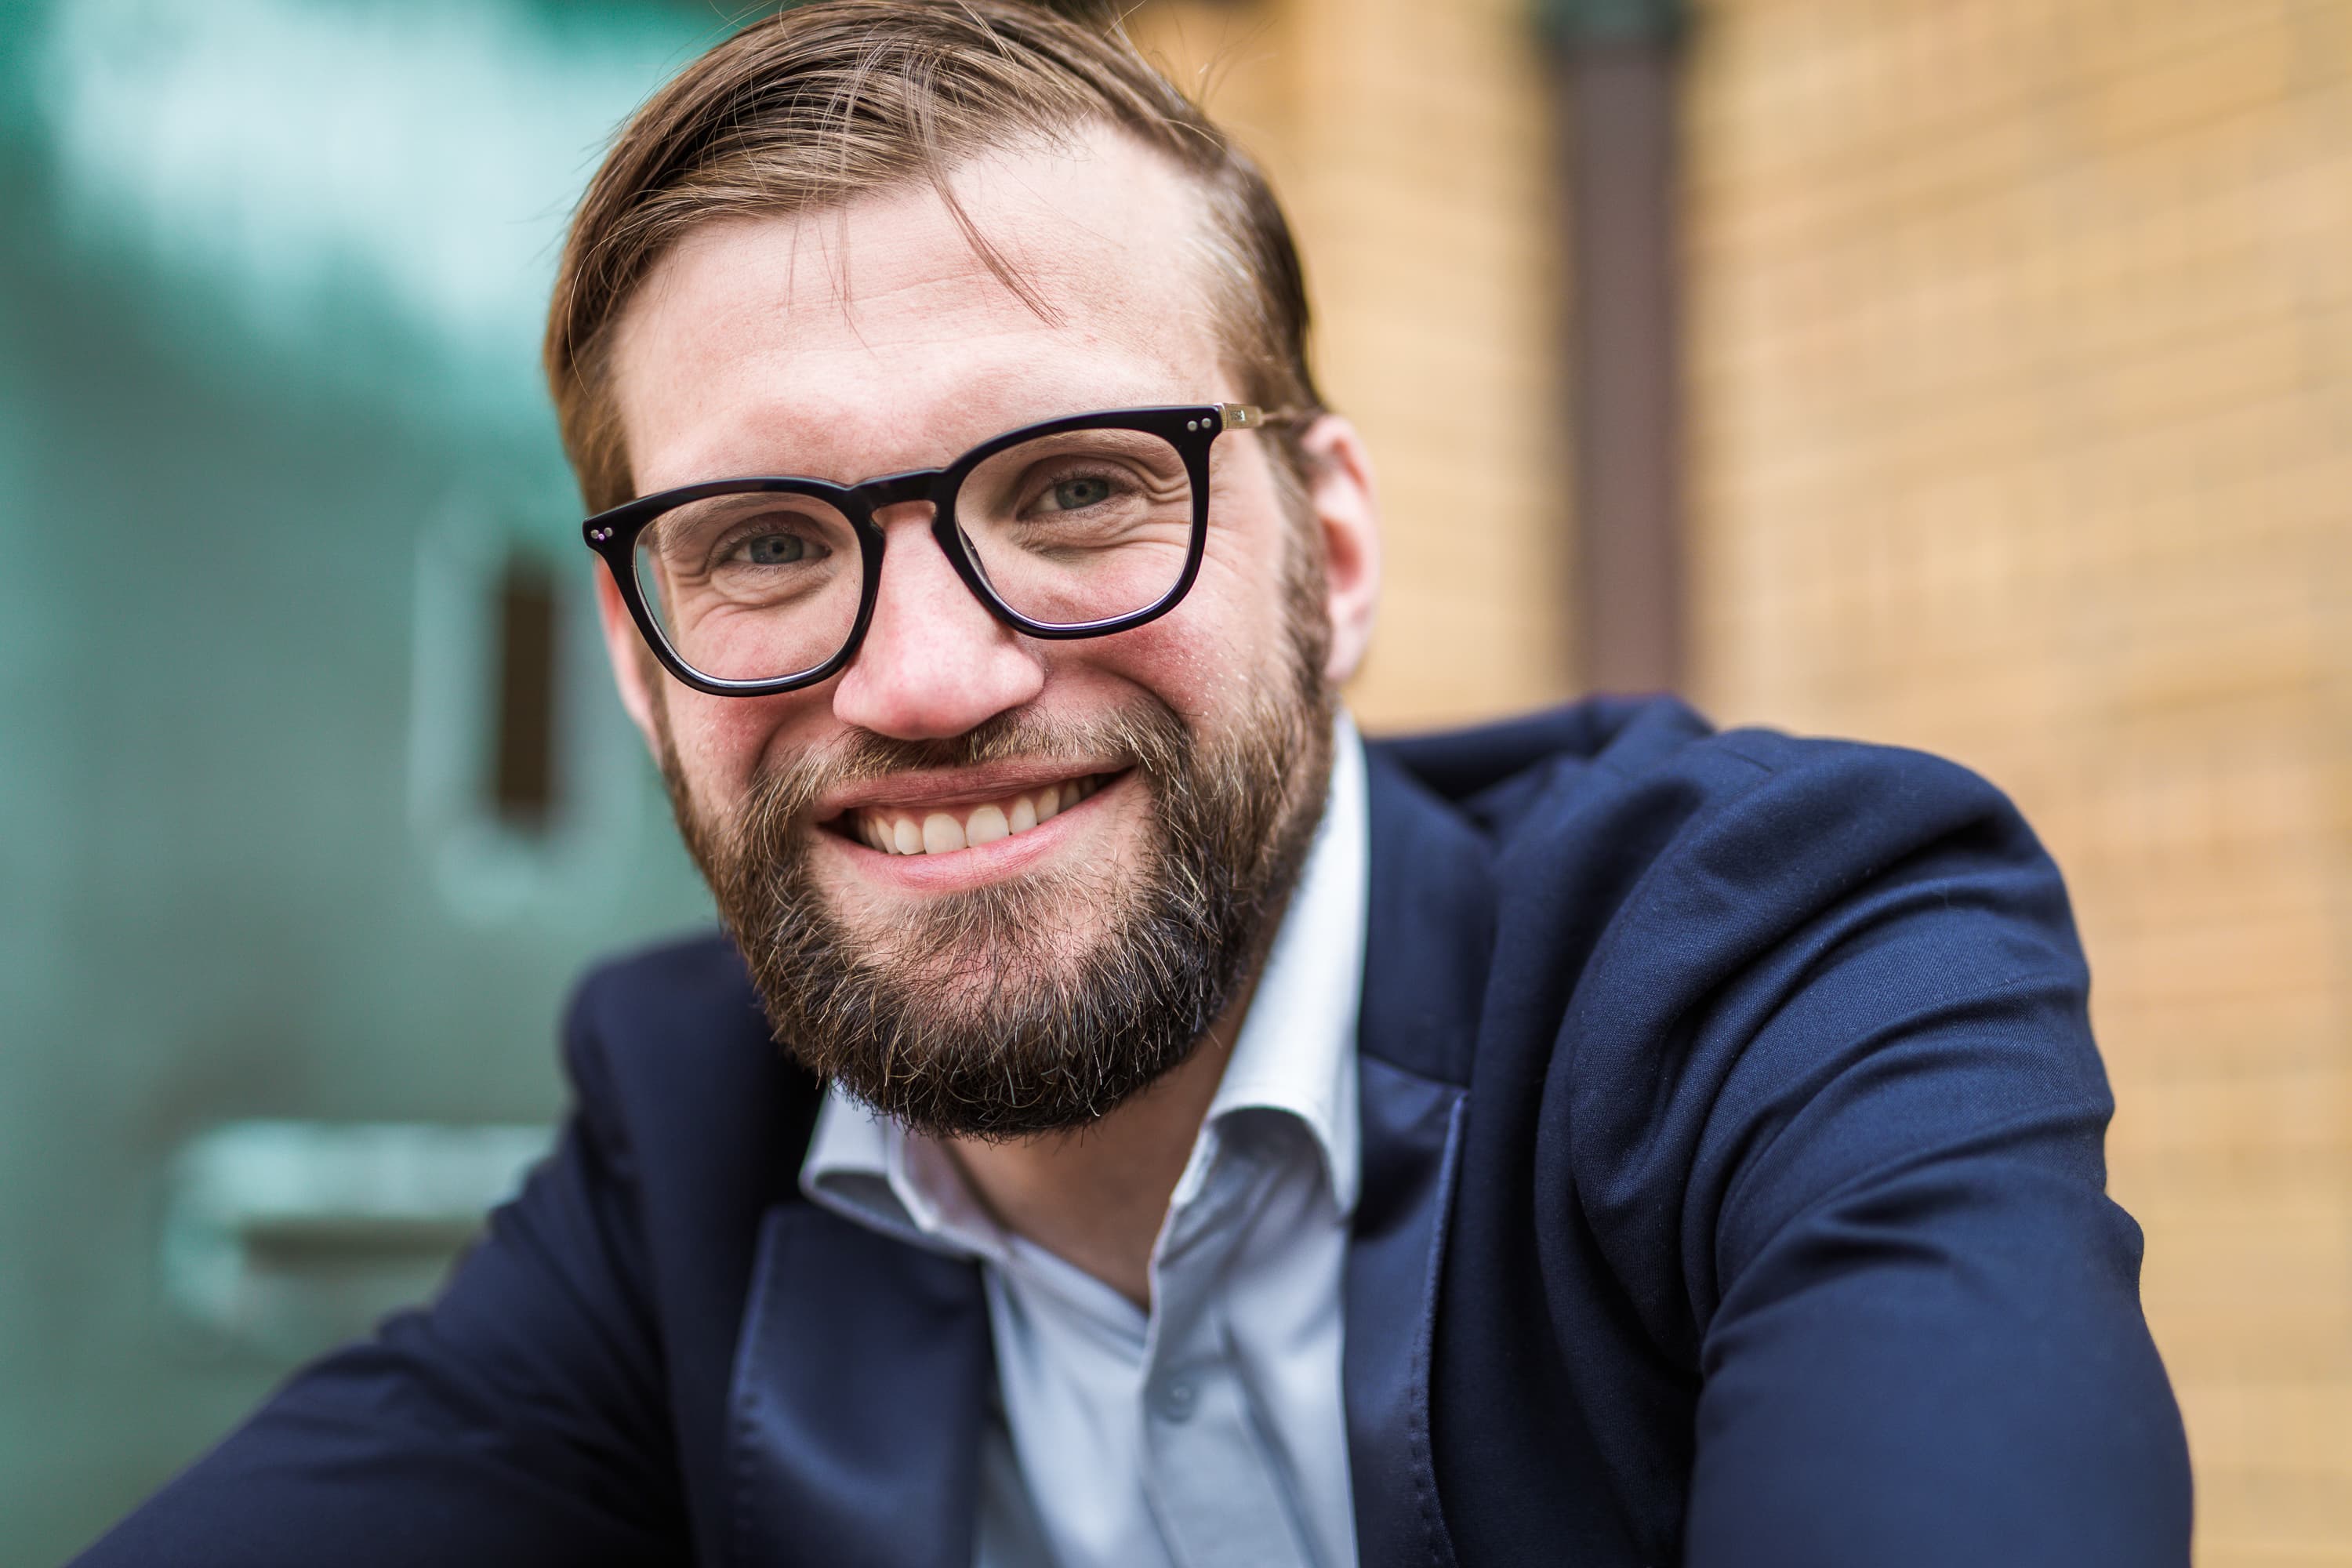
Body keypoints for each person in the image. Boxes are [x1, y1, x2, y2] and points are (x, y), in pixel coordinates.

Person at [73, 3, 2190, 1564]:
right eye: (768, 544)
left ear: (1333, 553)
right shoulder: (687, 1135)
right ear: (638, 671)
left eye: (1078, 490)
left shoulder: (1792, 958)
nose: (920, 680)